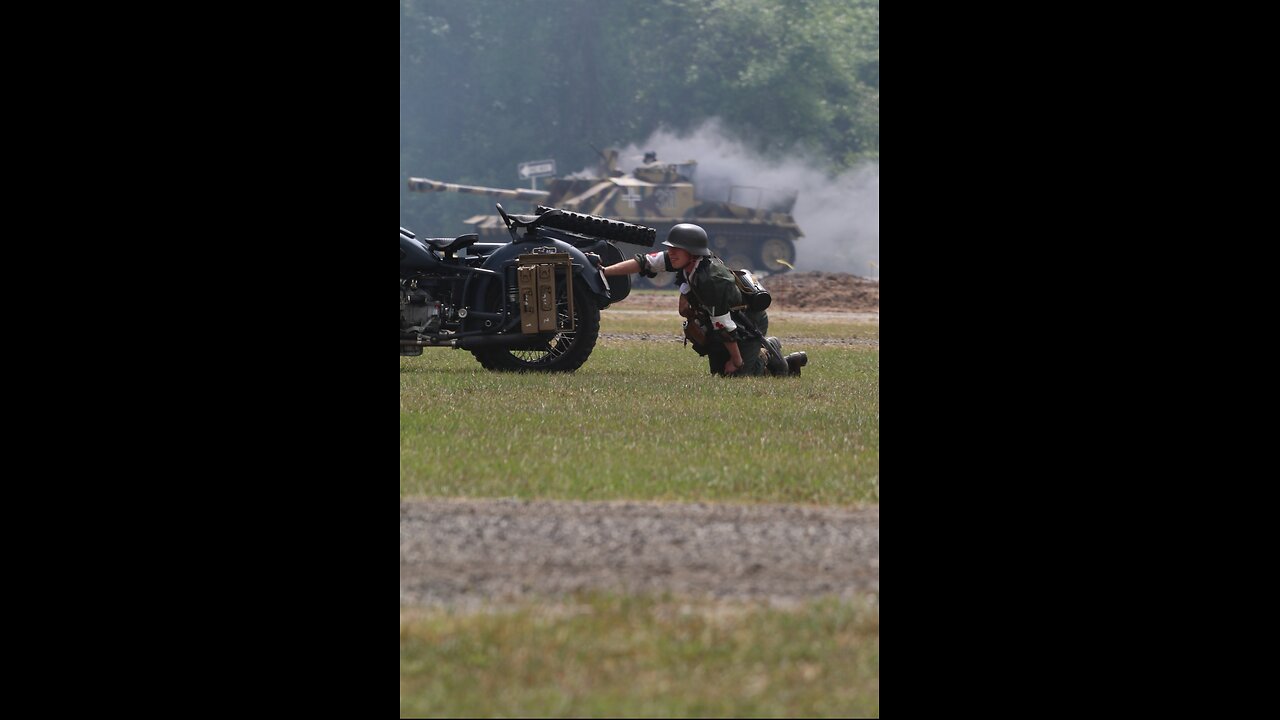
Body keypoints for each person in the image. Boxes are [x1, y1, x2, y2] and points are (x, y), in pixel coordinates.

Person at [601, 223, 808, 377]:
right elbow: (643, 263)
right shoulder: (684, 260)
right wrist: (604, 272)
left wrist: (736, 361)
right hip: (723, 321)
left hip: (748, 321)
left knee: (737, 375)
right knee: (720, 373)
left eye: (676, 248)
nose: (670, 252)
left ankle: (770, 352)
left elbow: (724, 325)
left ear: (691, 252)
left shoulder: (711, 279)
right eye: (670, 248)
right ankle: (758, 358)